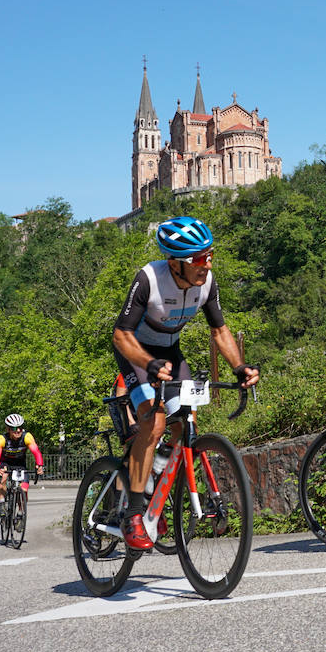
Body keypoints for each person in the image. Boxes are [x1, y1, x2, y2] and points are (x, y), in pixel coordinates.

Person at [111, 216, 259, 551]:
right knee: (155, 420)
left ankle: (153, 482)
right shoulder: (149, 279)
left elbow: (219, 330)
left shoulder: (207, 283)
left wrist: (239, 367)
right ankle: (135, 512)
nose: (206, 264)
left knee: (185, 423)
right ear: (174, 263)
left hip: (170, 353)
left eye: (209, 255)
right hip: (136, 353)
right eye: (198, 259)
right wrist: (147, 363)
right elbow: (121, 334)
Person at [0, 414, 44, 521]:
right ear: (8, 429)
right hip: (5, 463)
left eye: (20, 427)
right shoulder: (1, 439)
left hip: (20, 464)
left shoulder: (27, 437)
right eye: (14, 429)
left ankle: (20, 513)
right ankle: (2, 503)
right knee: (3, 478)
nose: (18, 431)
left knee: (24, 489)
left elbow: (36, 452)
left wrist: (39, 465)